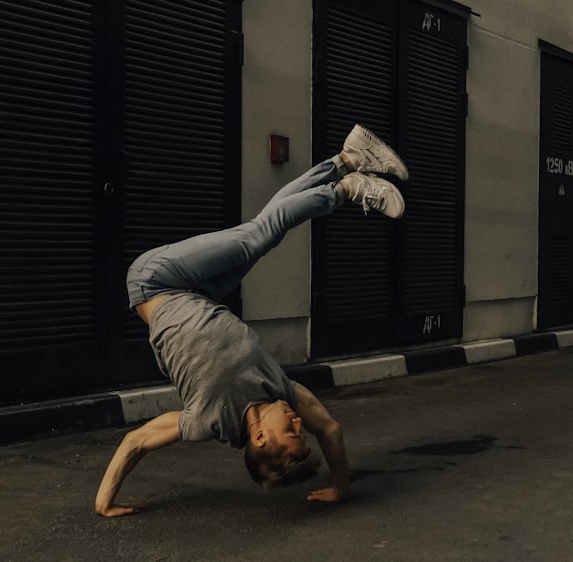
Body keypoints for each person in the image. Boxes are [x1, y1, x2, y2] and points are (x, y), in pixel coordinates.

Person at [94, 124, 409, 517]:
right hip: (197, 293)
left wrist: (103, 501)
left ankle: (347, 188)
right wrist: (341, 488)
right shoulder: (283, 392)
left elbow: (136, 441)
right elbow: (330, 430)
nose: (298, 423)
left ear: (259, 436)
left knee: (258, 234)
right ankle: (346, 160)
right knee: (264, 233)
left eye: (290, 432)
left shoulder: (206, 418)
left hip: (153, 281)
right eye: (300, 431)